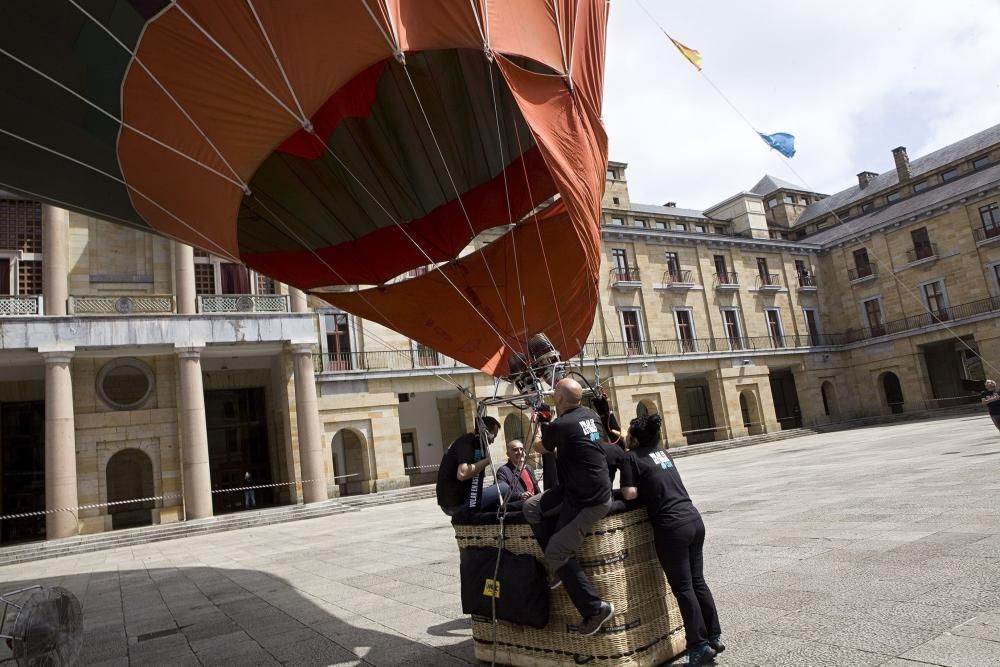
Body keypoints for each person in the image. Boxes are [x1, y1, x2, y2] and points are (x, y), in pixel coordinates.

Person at [620, 415, 723, 667]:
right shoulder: (662, 453)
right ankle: (714, 635)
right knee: (698, 581)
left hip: (671, 527)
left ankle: (698, 645)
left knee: (684, 587)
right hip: (693, 519)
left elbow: (630, 494)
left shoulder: (631, 458)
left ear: (634, 438)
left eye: (629, 433)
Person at [525, 378, 615, 636]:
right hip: (577, 489)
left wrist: (541, 423)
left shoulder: (561, 425)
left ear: (561, 400)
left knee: (555, 552)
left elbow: (541, 447)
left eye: (555, 393)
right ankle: (562, 568)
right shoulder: (590, 415)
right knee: (531, 507)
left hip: (589, 500)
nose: (553, 396)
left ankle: (595, 608)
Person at [435, 416, 510, 516]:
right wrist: (487, 461)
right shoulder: (467, 442)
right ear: (485, 432)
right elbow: (462, 473)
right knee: (505, 487)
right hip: (455, 504)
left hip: (458, 499)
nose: (492, 441)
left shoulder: (473, 443)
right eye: (493, 436)